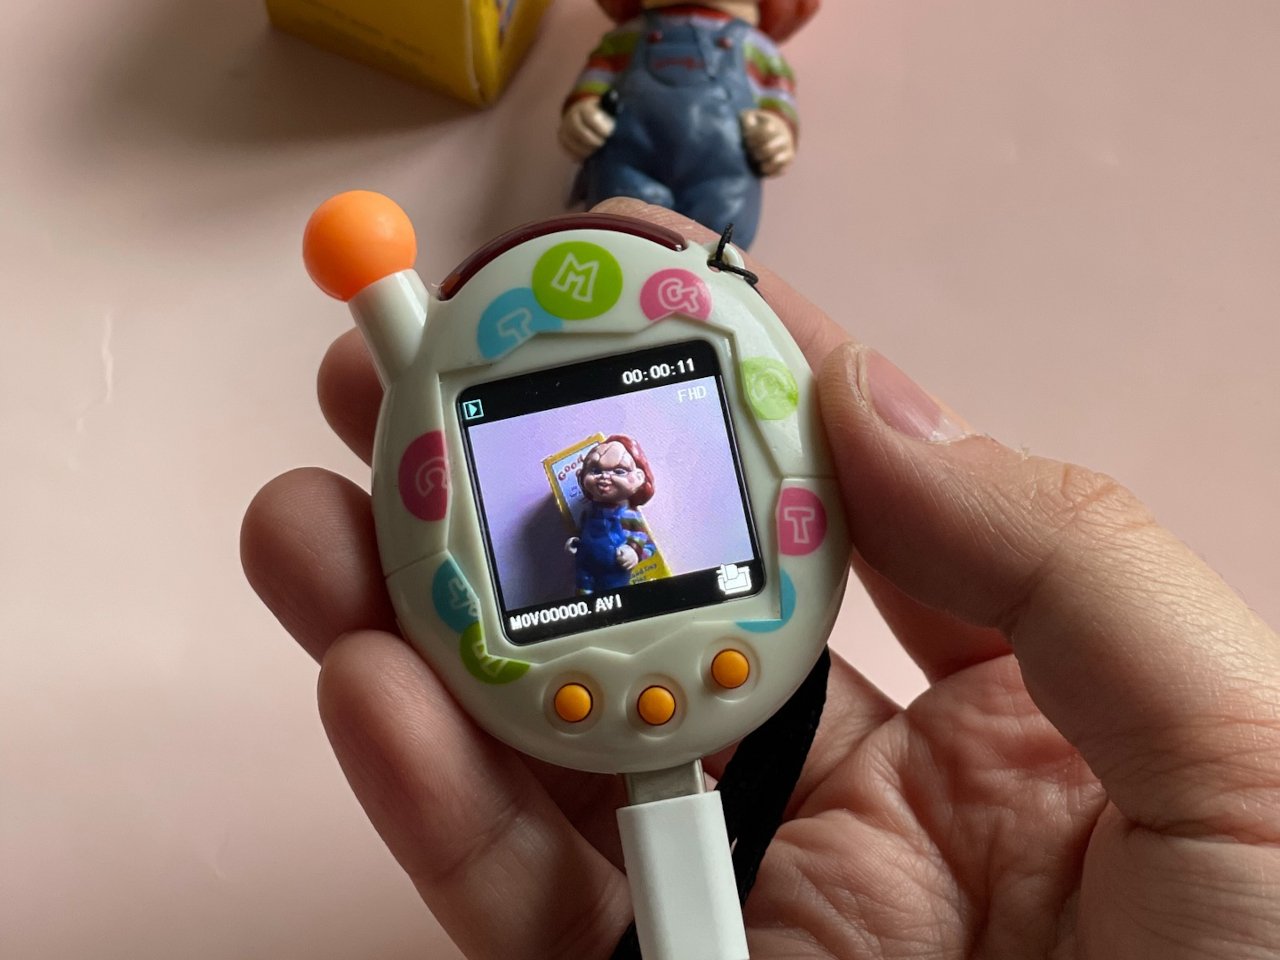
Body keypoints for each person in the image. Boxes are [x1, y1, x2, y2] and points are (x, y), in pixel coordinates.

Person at [242, 200, 1280, 958]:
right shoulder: (474, 407)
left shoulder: (519, 407)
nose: (604, 471)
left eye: (618, 463)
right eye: (595, 466)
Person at [559, 0, 819, 248]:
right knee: (623, 236)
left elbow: (777, 95)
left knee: (718, 248)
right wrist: (582, 112)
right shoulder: (624, 38)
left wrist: (778, 129)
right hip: (629, 161)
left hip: (726, 175)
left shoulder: (758, 47)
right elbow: (596, 78)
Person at [566, 436, 658, 595]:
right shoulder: (588, 512)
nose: (604, 477)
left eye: (619, 471)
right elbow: (582, 532)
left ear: (638, 478)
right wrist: (576, 542)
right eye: (595, 471)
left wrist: (634, 552)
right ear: (582, 475)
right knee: (582, 598)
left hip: (614, 573)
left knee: (614, 600)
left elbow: (646, 542)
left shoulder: (629, 515)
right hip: (585, 569)